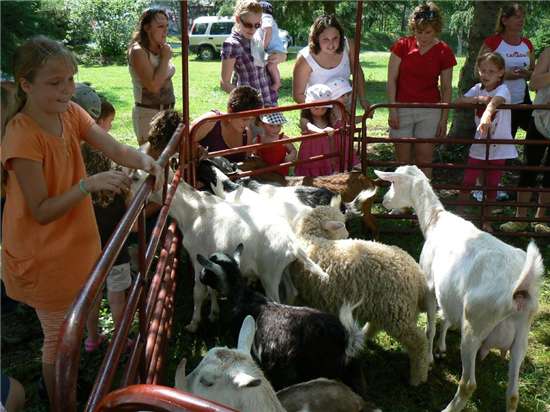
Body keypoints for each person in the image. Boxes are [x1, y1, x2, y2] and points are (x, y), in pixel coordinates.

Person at [1, 36, 163, 407]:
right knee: (58, 337)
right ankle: (63, 401)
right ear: (26, 84)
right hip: (44, 255)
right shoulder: (22, 135)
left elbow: (114, 147)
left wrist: (146, 161)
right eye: (55, 83)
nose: (67, 90)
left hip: (75, 244)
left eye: (70, 79)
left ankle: (67, 387)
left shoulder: (70, 113)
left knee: (71, 326)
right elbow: (41, 210)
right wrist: (86, 185)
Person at [71, 86, 133, 352]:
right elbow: (124, 190)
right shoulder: (107, 155)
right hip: (113, 238)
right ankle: (121, 339)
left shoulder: (69, 155)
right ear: (94, 123)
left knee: (91, 293)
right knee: (117, 292)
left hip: (83, 238)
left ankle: (92, 338)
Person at [387, 2, 456, 179]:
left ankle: (425, 202)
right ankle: (401, 204)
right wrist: (392, 110)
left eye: (428, 32)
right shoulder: (402, 45)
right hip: (402, 108)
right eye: (419, 31)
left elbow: (447, 87)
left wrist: (443, 118)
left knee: (424, 159)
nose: (423, 37)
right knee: (402, 161)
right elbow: (391, 80)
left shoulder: (444, 51)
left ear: (436, 30)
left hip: (430, 110)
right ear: (413, 28)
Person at [455, 53, 517, 232]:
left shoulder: (503, 89)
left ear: (500, 73)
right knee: (467, 182)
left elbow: (495, 102)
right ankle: (460, 218)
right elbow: (459, 100)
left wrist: (487, 113)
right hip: (480, 145)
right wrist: (477, 100)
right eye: (483, 70)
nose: (486, 74)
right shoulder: (477, 89)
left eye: (491, 71)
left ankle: (486, 221)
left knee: (491, 187)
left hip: (499, 148)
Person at [501, 47, 550, 234]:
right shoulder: (548, 53)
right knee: (529, 166)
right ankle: (519, 218)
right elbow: (534, 83)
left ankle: (540, 220)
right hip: (540, 118)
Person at [477, 3, 535, 138]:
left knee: (534, 132)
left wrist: (527, 74)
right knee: (502, 139)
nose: (521, 20)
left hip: (522, 101)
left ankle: (528, 158)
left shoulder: (527, 43)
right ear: (504, 20)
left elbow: (534, 72)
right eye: (517, 17)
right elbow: (478, 72)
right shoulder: (492, 42)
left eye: (523, 17)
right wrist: (505, 75)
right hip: (497, 101)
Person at [293, 15, 370, 114]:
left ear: (341, 36)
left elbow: (357, 72)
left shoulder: (348, 46)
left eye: (335, 38)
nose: (331, 45)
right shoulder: (305, 58)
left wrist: (362, 99)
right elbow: (298, 95)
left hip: (346, 108)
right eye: (325, 39)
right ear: (316, 38)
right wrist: (325, 109)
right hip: (318, 114)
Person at [128, 7, 176, 145]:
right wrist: (166, 58)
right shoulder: (138, 51)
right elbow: (153, 86)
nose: (165, 30)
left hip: (168, 112)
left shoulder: (162, 48)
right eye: (160, 26)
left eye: (167, 26)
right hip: (148, 114)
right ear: (147, 28)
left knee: (169, 160)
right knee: (152, 161)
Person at [221, 0, 277, 107]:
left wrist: (275, 57)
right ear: (238, 19)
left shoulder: (256, 39)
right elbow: (225, 83)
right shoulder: (232, 44)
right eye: (248, 25)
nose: (252, 29)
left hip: (268, 101)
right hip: (249, 107)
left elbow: (262, 71)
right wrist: (248, 99)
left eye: (257, 25)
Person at [192, 85, 263, 163]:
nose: (247, 124)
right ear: (230, 110)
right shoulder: (210, 121)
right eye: (244, 119)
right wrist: (196, 149)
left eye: (251, 119)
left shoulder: (247, 134)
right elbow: (182, 140)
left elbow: (246, 164)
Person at [295, 83, 338, 177]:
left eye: (323, 108)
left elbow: (332, 137)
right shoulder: (305, 119)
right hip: (309, 154)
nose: (319, 110)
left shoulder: (329, 119)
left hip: (325, 153)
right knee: (308, 177)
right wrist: (321, 132)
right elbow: (309, 127)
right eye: (316, 107)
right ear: (309, 106)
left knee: (325, 176)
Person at [254, 111, 297, 177]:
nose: (276, 129)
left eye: (278, 125)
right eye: (271, 126)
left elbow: (293, 150)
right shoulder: (257, 140)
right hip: (263, 174)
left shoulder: (283, 139)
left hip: (281, 173)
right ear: (262, 124)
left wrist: (290, 156)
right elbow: (254, 154)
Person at [258, 1, 286, 92]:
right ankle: (276, 82)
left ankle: (277, 83)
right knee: (271, 66)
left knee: (271, 66)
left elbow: (268, 31)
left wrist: (263, 46)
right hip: (276, 48)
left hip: (275, 49)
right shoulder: (269, 18)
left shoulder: (265, 17)